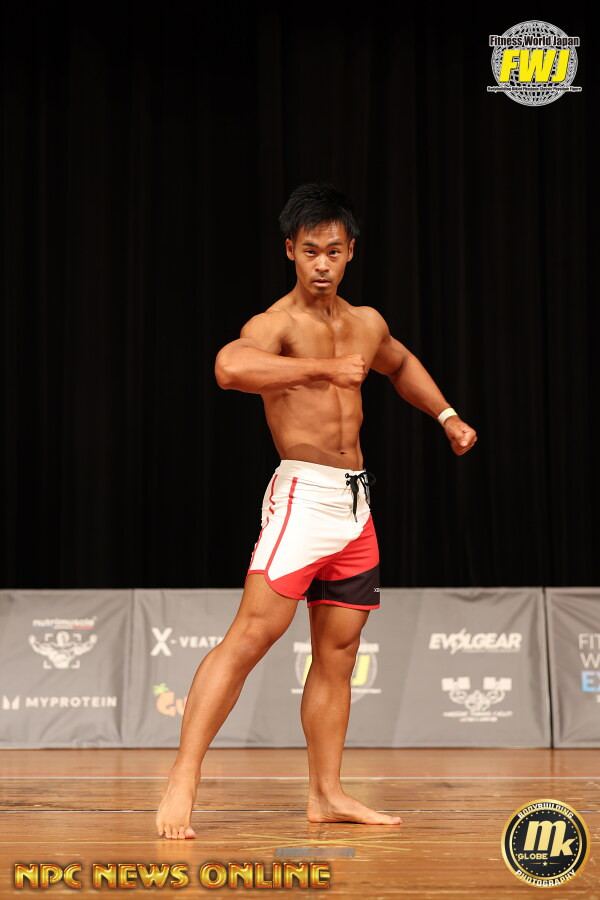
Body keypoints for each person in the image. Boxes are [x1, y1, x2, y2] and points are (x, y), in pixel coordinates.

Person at [156, 182, 477, 839]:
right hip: (302, 497)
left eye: (333, 251)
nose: (322, 263)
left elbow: (400, 364)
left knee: (339, 652)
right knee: (250, 637)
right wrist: (319, 372)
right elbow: (229, 368)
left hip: (354, 506)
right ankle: (182, 779)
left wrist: (447, 415)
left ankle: (326, 793)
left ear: (351, 250)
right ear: (290, 252)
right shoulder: (277, 324)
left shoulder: (367, 322)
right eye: (310, 251)